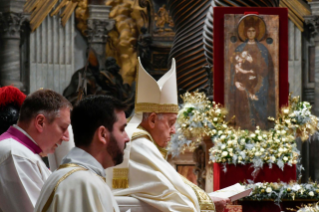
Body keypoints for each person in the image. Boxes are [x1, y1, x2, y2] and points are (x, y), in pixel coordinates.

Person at [106, 57, 228, 212]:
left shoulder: (134, 137)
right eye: (171, 123)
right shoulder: (138, 143)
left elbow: (170, 185)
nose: (174, 130)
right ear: (152, 120)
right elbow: (169, 192)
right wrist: (207, 202)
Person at [34, 95, 130, 212]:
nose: (127, 138)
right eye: (122, 129)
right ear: (103, 134)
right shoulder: (82, 184)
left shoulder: (77, 177)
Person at [0, 89, 71, 212]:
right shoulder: (16, 154)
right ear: (40, 122)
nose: (66, 137)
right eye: (63, 128)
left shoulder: (23, 152)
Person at [230, 15, 275, 130]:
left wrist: (253, 64)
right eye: (248, 31)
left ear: (257, 31)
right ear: (245, 32)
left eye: (253, 31)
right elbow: (234, 69)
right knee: (243, 108)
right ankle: (244, 128)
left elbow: (266, 71)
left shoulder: (262, 50)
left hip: (260, 84)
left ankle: (261, 128)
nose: (250, 33)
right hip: (242, 84)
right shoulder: (240, 49)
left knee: (259, 108)